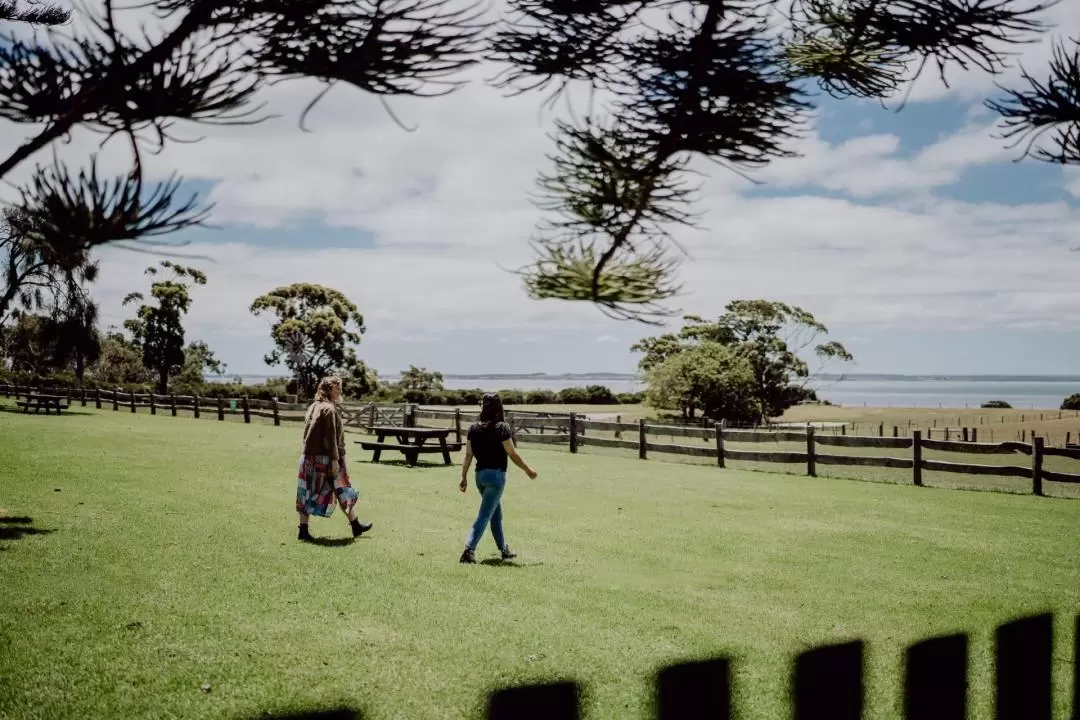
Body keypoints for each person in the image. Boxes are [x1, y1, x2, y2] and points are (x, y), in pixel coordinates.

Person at [458, 393, 538, 563]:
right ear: (498, 407)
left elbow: (468, 456)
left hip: (479, 477)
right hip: (496, 477)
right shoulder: (502, 427)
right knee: (485, 515)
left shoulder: (473, 429)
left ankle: (504, 550)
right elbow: (512, 453)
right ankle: (469, 550)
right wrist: (527, 469)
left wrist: (463, 477)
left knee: (495, 514)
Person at [295, 375, 373, 542]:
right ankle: (355, 525)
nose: (340, 391)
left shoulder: (314, 406)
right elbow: (331, 438)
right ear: (328, 390)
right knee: (342, 489)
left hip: (309, 457)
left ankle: (354, 525)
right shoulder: (329, 409)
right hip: (325, 459)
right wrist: (335, 460)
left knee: (307, 492)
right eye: (336, 388)